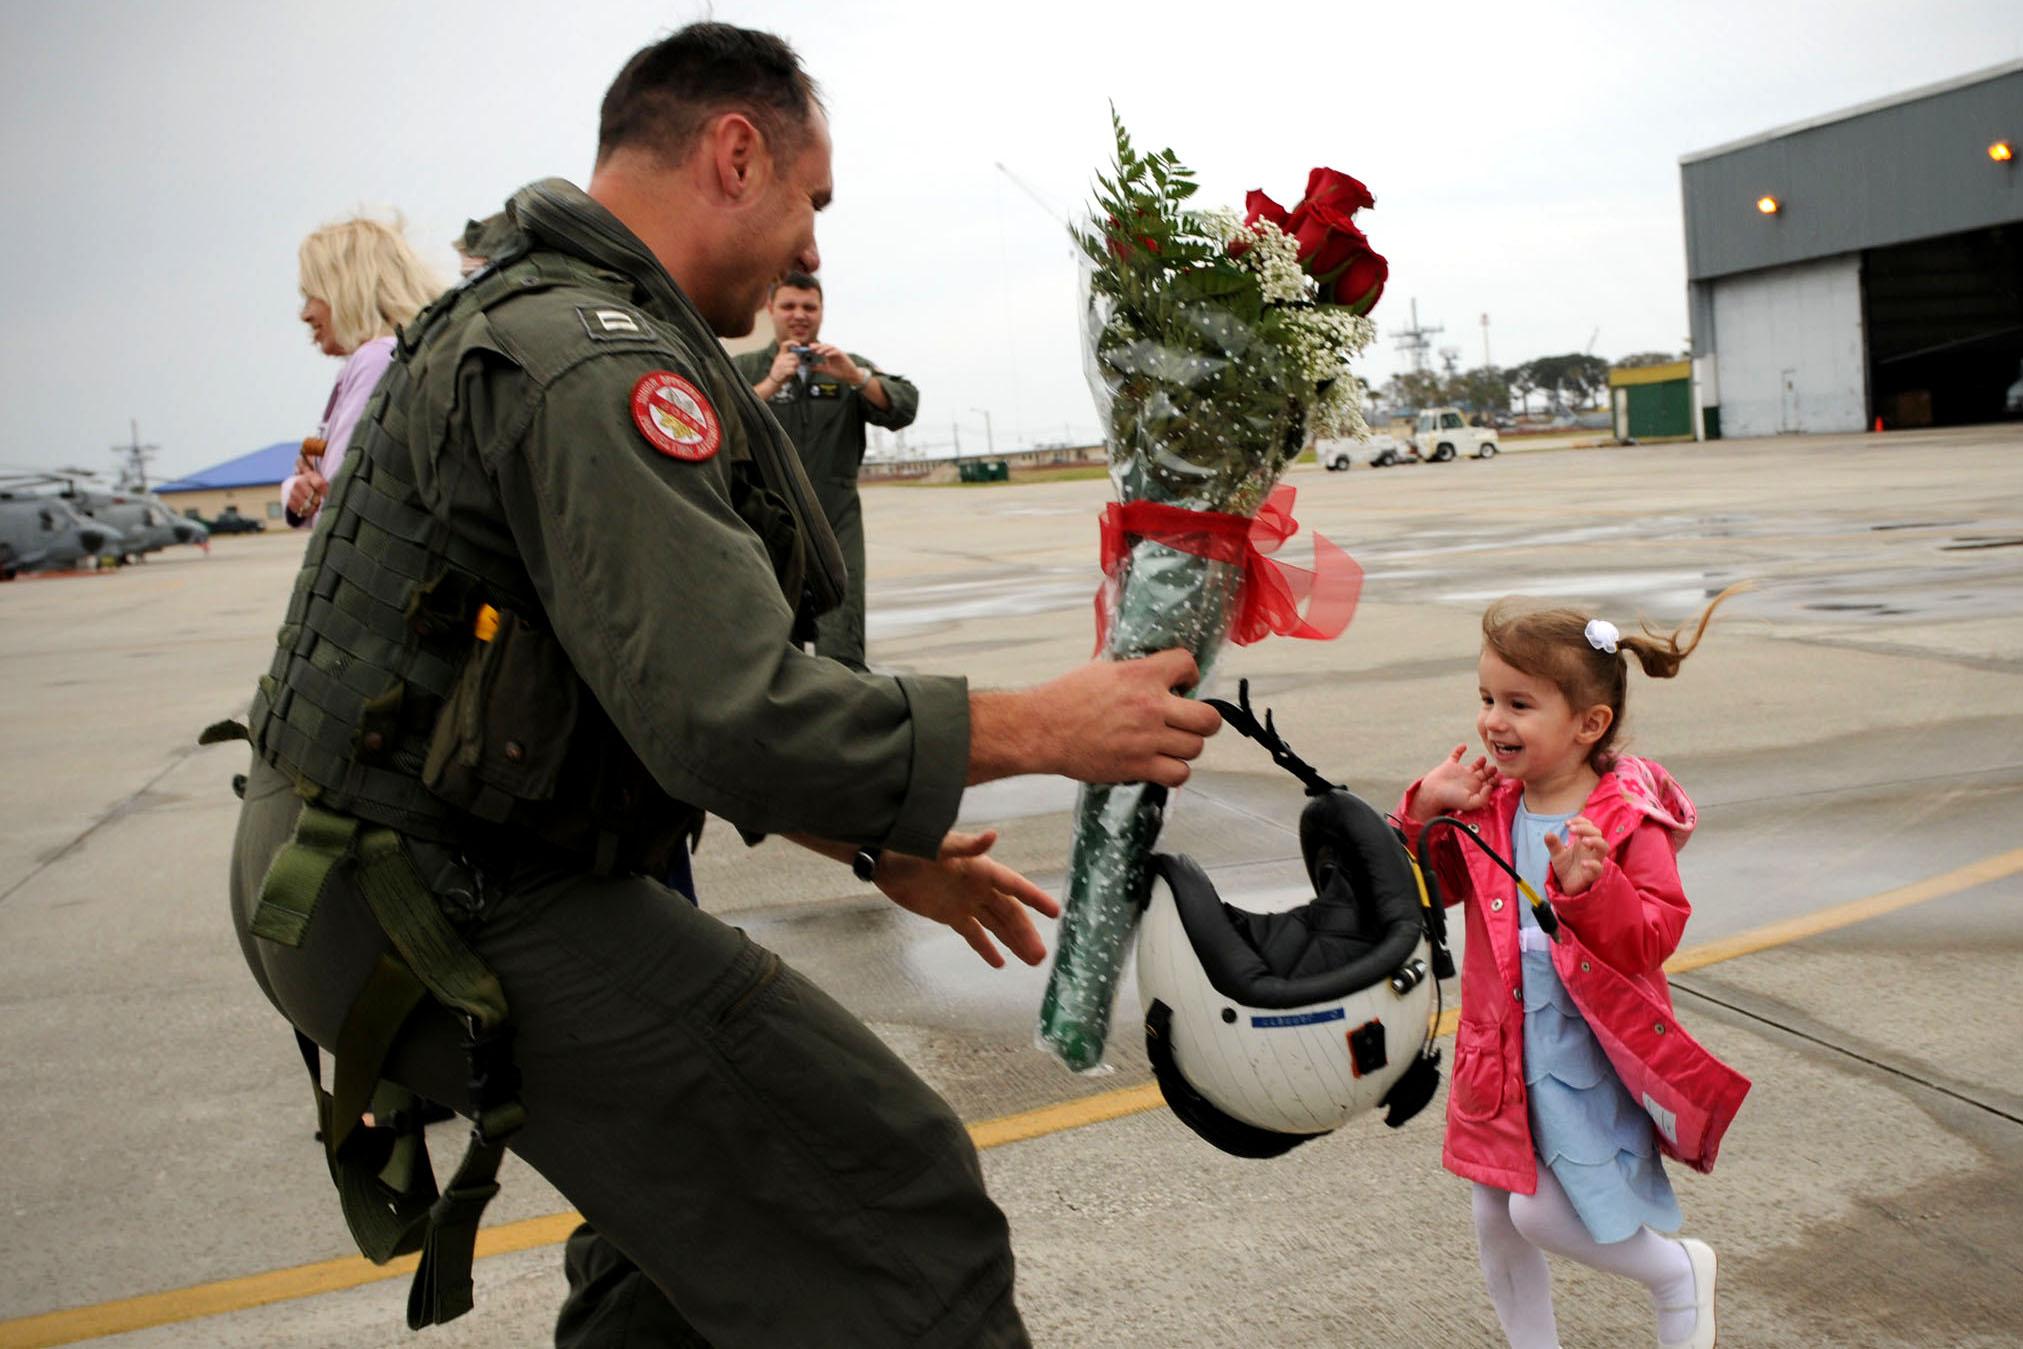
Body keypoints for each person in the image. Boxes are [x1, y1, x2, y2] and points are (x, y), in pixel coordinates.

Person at [223, 22, 1220, 1348]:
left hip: (392, 860)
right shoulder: (594, 363)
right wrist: (1048, 724)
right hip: (434, 880)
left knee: (683, 1256)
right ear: (734, 155)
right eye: (811, 201)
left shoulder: (549, 319)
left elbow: (631, 689)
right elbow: (724, 711)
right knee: (891, 1194)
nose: (813, 248)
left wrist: (880, 843)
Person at [1394, 587, 1749, 1349]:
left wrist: (1594, 891)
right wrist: (1425, 810)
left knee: (1540, 1210)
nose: (1492, 720)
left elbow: (1655, 934)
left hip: (1580, 1058)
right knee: (1494, 1213)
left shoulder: (1621, 819)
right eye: (1486, 697)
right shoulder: (1490, 806)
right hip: (1499, 1056)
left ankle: (1674, 1272)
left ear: (1589, 724)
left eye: (1519, 703)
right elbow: (1428, 889)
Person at [732, 272, 916, 669]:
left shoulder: (846, 368)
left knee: (842, 651)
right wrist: (769, 383)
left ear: (821, 312)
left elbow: (903, 406)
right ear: (771, 309)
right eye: (789, 306)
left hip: (835, 527)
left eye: (809, 307)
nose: (799, 315)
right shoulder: (743, 369)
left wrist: (856, 378)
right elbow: (717, 419)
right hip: (763, 531)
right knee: (774, 655)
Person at [281, 217, 440, 527]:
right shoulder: (401, 354)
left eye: (312, 295)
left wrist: (303, 487)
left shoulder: (377, 359)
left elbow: (339, 502)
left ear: (349, 289)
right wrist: (299, 489)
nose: (305, 314)